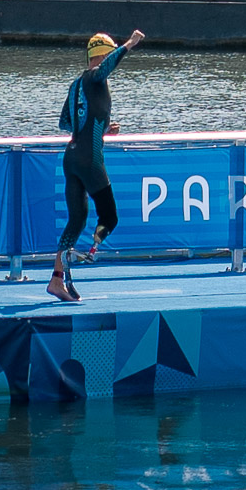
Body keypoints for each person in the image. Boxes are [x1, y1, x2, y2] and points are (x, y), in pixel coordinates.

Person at [48, 29, 145, 301]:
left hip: (71, 157)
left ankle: (57, 279)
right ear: (102, 55)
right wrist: (129, 44)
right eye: (108, 54)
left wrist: (100, 129)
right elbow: (105, 68)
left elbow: (66, 123)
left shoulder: (77, 84)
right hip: (89, 159)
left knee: (77, 220)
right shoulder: (94, 76)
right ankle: (91, 252)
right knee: (109, 217)